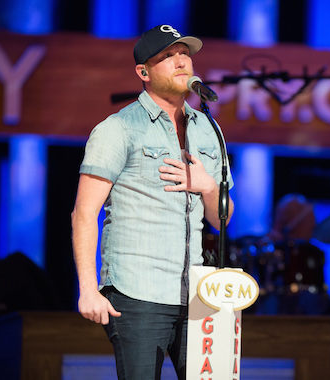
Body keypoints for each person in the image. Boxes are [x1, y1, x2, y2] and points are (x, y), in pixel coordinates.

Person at [71, 24, 234, 379]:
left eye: (184, 54)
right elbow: (85, 212)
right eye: (167, 56)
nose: (181, 62)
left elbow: (222, 217)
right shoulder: (118, 129)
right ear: (143, 72)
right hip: (138, 292)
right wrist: (87, 289)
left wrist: (208, 186)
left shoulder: (210, 129)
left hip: (200, 295)